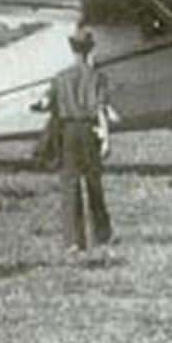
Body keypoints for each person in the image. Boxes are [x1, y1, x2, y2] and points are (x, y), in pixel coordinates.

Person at [47, 27, 113, 252]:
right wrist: (106, 139)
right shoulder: (98, 77)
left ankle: (73, 241)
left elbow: (50, 107)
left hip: (68, 132)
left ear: (72, 49)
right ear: (90, 49)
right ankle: (102, 233)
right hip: (89, 129)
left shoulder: (60, 77)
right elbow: (101, 110)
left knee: (70, 185)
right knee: (94, 183)